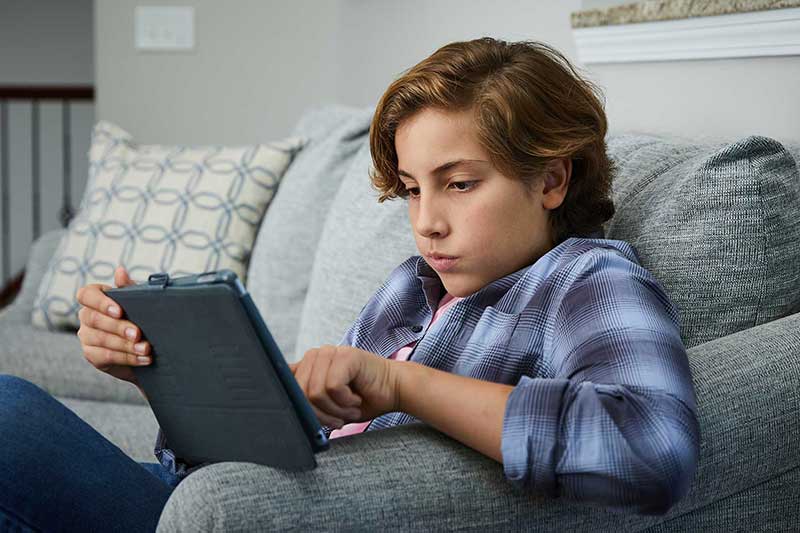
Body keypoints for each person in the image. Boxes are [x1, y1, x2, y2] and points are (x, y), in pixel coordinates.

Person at [0, 37, 700, 530]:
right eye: (411, 191)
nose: (427, 223)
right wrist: (159, 371)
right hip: (216, 504)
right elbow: (285, 438)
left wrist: (401, 385)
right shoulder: (411, 287)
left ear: (552, 177)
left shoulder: (585, 278)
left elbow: (650, 447)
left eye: (458, 184)